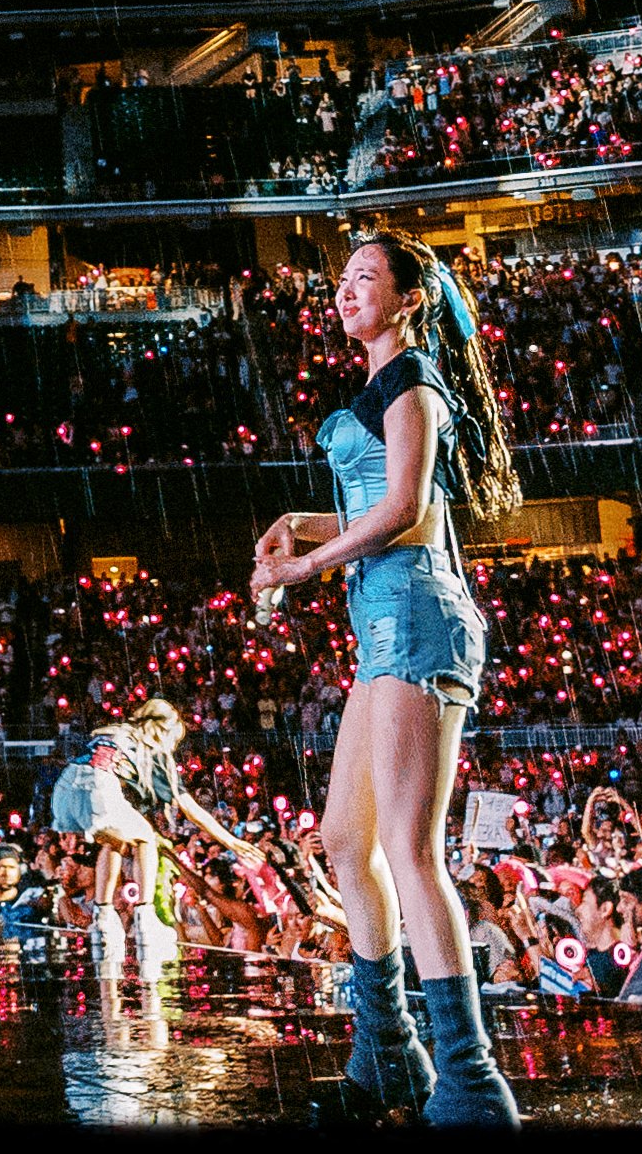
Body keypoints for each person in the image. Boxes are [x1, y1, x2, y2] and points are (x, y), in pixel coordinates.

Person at [251, 228, 521, 1127]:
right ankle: (387, 1053)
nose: (345, 288)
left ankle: (470, 1084)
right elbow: (381, 504)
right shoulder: (383, 385)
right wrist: (300, 520)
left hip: (416, 618)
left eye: (366, 275)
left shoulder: (412, 382)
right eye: (341, 277)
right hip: (380, 627)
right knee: (342, 837)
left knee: (408, 846)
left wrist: (303, 565)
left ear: (409, 297)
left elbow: (406, 510)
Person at [45, 699, 261, 975]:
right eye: (174, 740)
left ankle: (103, 917)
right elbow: (192, 810)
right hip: (96, 787)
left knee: (116, 839)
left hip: (65, 788)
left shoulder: (118, 733)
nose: (173, 747)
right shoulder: (153, 750)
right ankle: (146, 918)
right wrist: (232, 842)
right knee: (146, 835)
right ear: (163, 730)